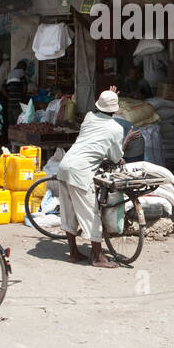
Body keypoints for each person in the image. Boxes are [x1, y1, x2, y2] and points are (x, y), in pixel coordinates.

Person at [58, 88, 140, 268]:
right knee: (92, 215)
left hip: (64, 165)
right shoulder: (115, 129)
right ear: (115, 109)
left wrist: (107, 95)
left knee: (68, 212)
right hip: (80, 171)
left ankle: (73, 253)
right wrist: (127, 138)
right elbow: (116, 156)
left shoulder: (88, 117)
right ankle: (97, 257)